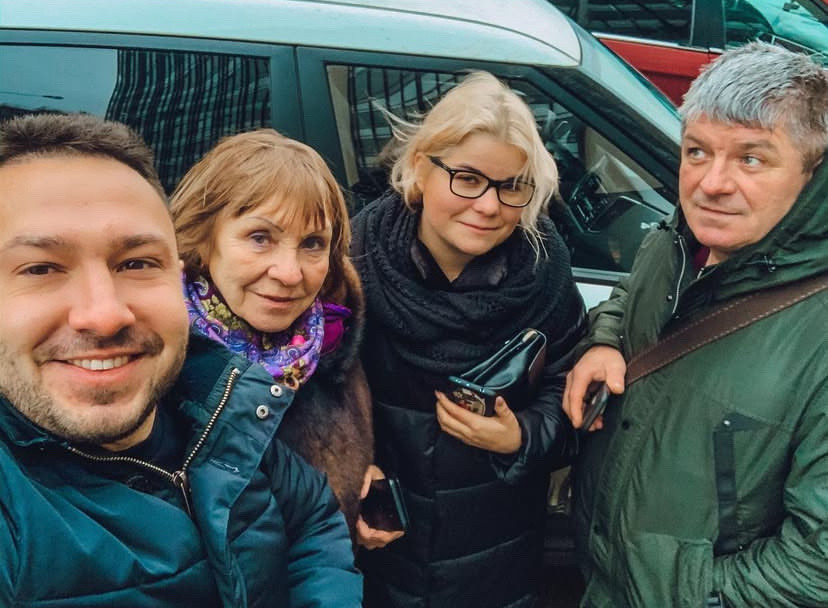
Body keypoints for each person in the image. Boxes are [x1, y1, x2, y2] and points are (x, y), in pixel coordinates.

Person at [0, 113, 362, 607]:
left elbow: (310, 513)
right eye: (40, 268)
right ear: (199, 249)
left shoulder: (212, 391)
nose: (105, 315)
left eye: (136, 263)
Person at [562, 42, 828, 607]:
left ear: (812, 173)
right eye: (697, 152)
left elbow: (815, 567)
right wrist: (605, 341)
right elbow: (630, 293)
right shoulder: (680, 239)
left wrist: (665, 587)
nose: (711, 183)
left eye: (751, 159)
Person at [351, 71, 587, 607]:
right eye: (467, 178)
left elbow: (573, 387)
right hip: (379, 558)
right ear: (420, 167)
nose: (487, 205)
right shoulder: (357, 262)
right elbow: (311, 393)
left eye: (511, 186)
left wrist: (522, 436)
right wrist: (346, 478)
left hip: (498, 562)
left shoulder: (544, 274)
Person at [169, 129, 373, 541]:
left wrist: (358, 491)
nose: (290, 273)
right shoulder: (156, 363)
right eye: (260, 238)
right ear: (202, 238)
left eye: (312, 243)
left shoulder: (330, 341)